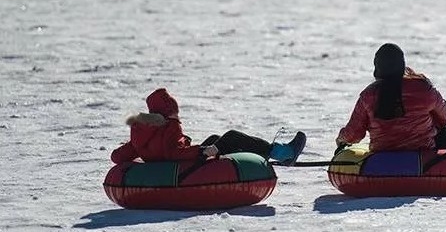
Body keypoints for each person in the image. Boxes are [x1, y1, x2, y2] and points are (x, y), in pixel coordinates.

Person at [110, 88, 306, 164]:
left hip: (173, 166)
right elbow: (173, 153)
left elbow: (117, 156)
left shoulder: (140, 135)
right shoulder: (168, 126)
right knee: (231, 136)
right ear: (167, 112)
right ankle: (284, 153)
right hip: (183, 166)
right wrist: (203, 151)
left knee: (215, 138)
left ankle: (270, 156)